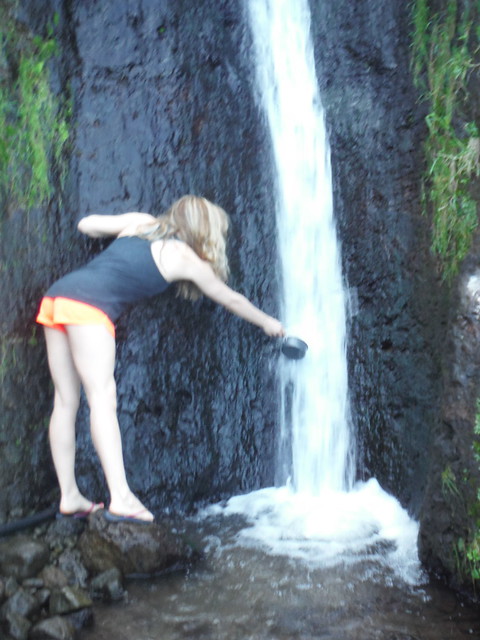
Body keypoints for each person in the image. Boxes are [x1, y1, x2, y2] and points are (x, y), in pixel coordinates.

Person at [36, 195, 285, 524]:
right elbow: (229, 297)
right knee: (102, 397)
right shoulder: (184, 256)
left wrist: (110, 229)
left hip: (58, 296)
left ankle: (70, 496)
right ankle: (121, 497)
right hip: (89, 308)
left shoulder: (142, 222)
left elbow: (87, 224)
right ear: (204, 229)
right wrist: (268, 322)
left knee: (66, 401)